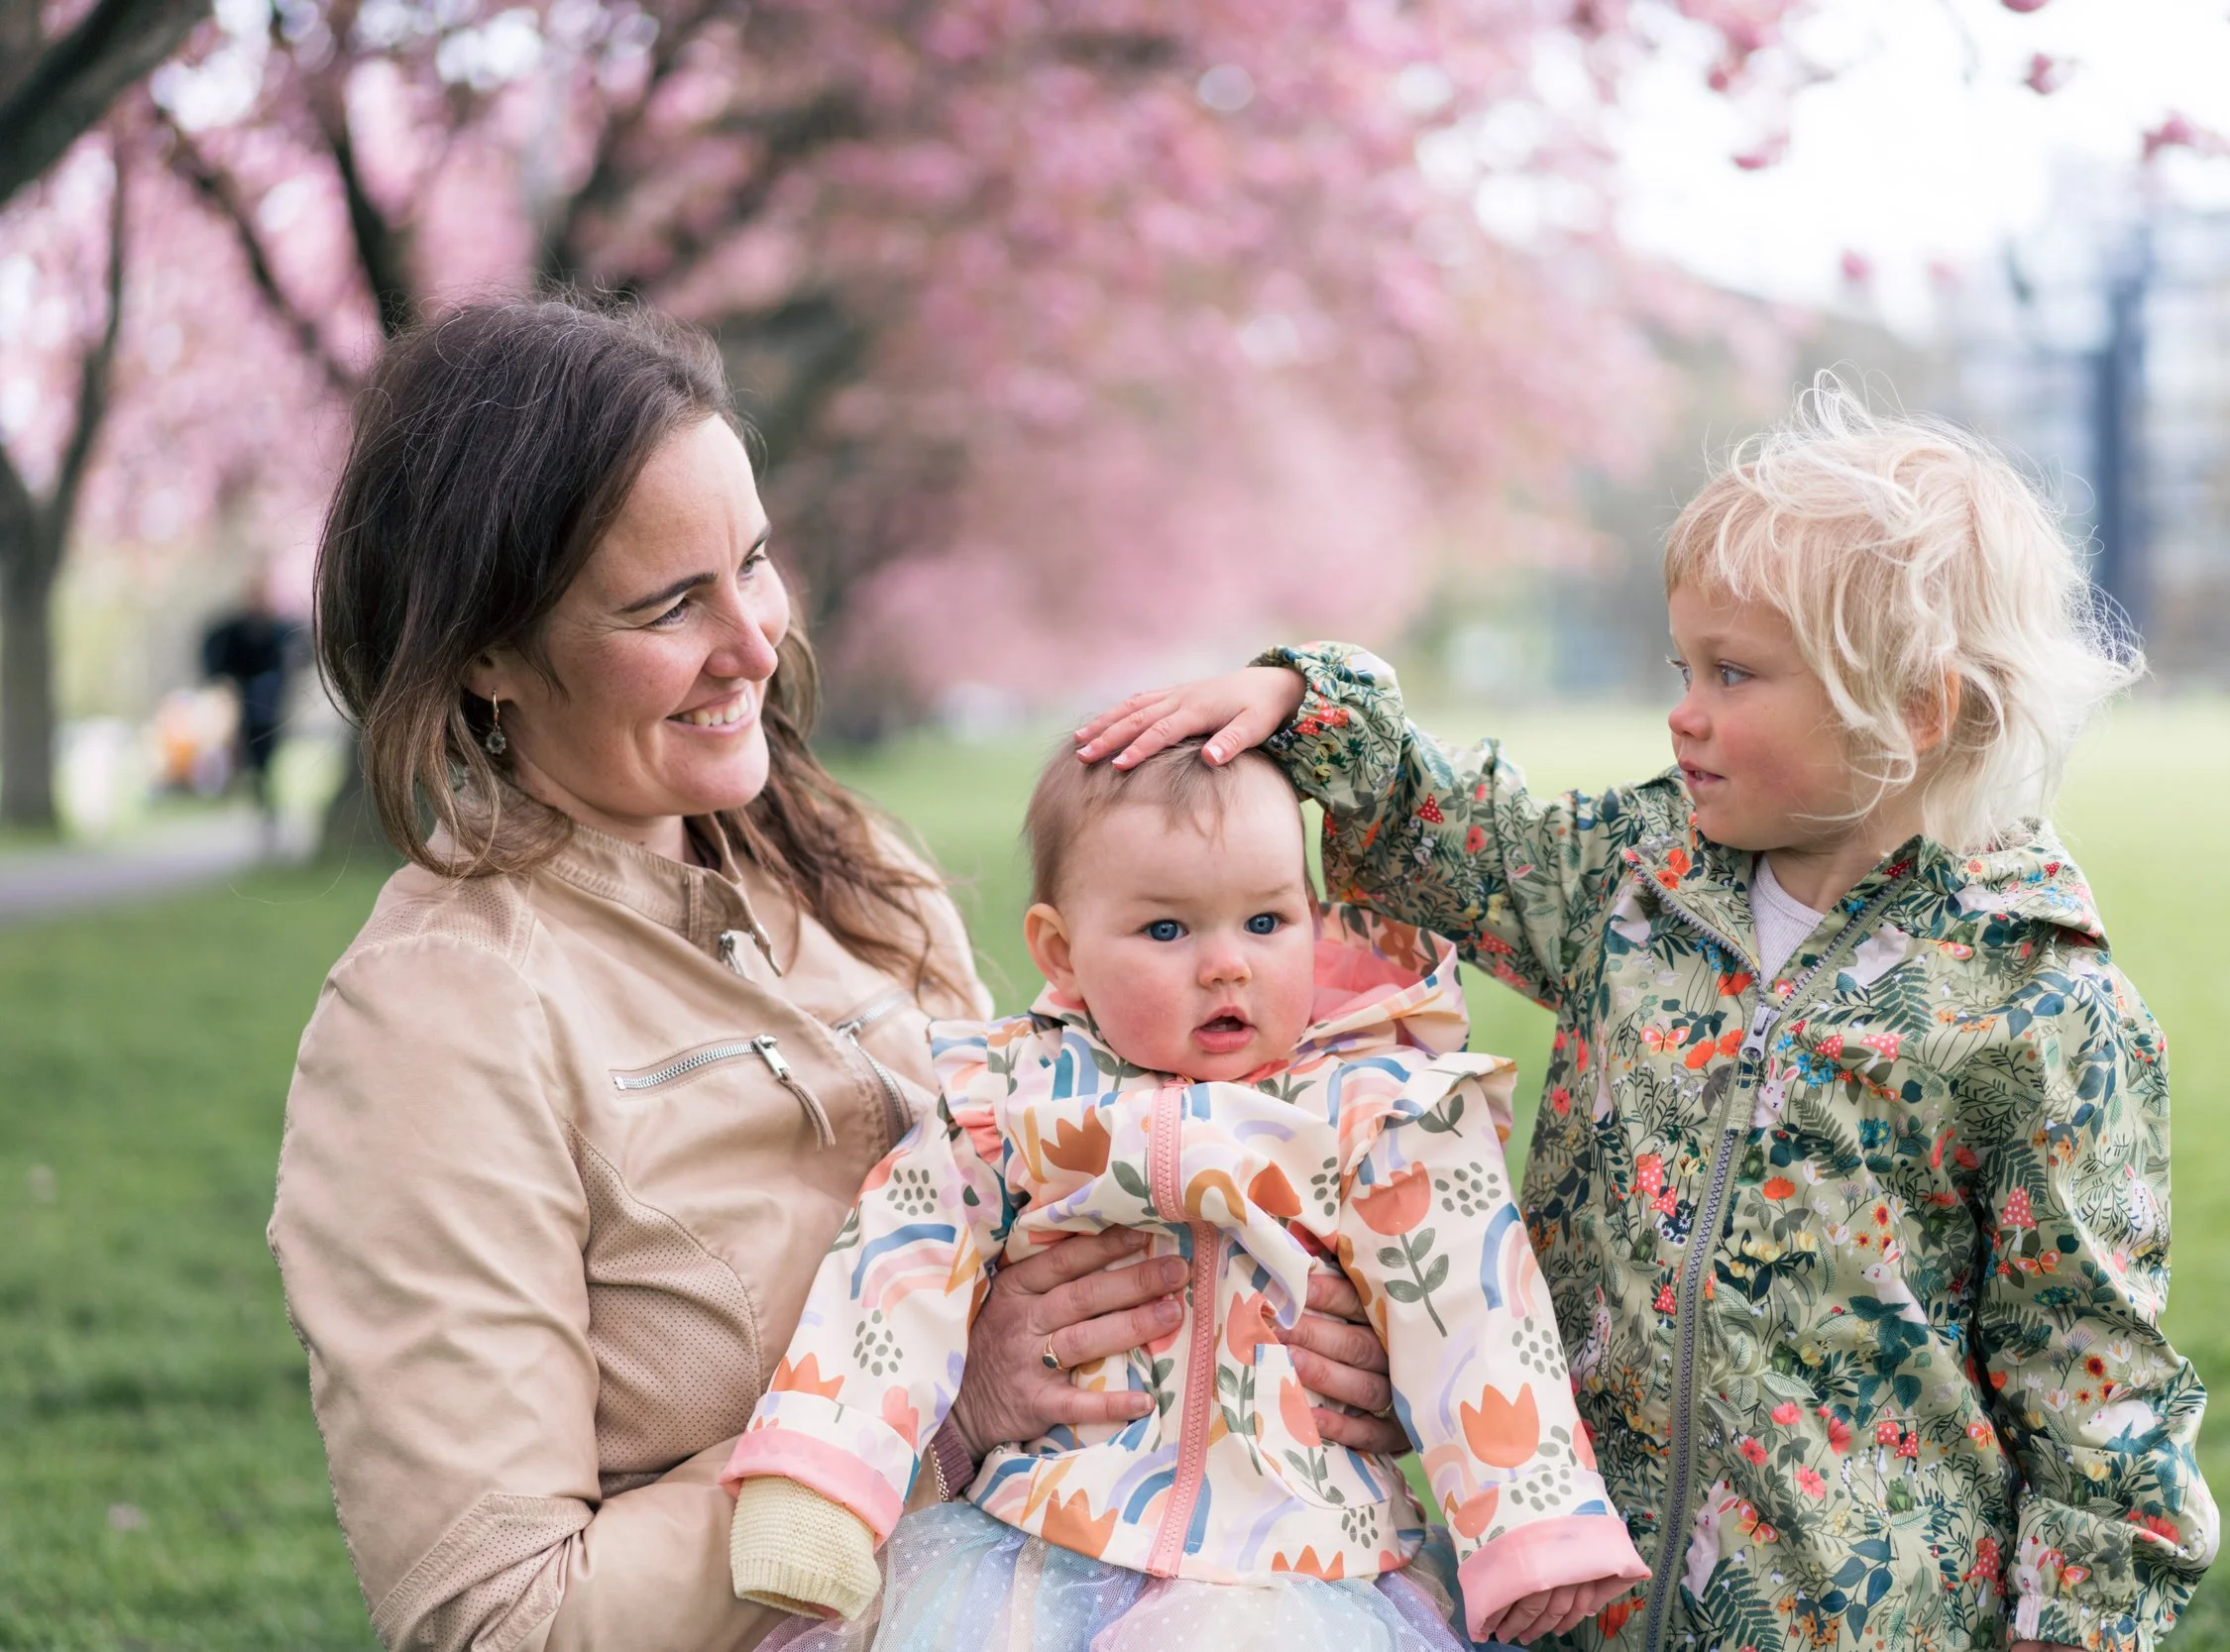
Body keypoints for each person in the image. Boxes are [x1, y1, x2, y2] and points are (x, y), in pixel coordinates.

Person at [269, 296, 1402, 1652]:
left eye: (751, 561)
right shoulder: (437, 1022)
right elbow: (493, 1613)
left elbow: (1058, 1177)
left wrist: (1312, 1344)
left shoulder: (846, 860)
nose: (752, 640)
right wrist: (927, 1416)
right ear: (491, 655)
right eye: (666, 603)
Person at [1077, 387, 2218, 1652]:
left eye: (1733, 674)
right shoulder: (1632, 880)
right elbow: (1443, 827)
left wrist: (2077, 1630)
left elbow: (2094, 1385)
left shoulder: (2042, 1004)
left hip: (1857, 1620)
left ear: (1911, 712)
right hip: (1572, 1586)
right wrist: (1311, 702)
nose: (1683, 709)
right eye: (1685, 666)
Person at [718, 738, 1650, 1651]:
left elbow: (1475, 1303)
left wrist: (1532, 1522)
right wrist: (827, 1467)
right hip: (1041, 1538)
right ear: (1062, 950)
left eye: (1266, 921)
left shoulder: (1377, 1106)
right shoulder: (1018, 1092)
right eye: (1167, 929)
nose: (1225, 964)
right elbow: (896, 1263)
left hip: (1298, 1569)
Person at [199, 569, 302, 829]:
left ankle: (265, 801)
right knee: (253, 758)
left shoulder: (277, 631)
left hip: (271, 709)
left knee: (266, 759)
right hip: (247, 708)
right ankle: (257, 798)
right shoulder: (235, 632)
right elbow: (216, 656)